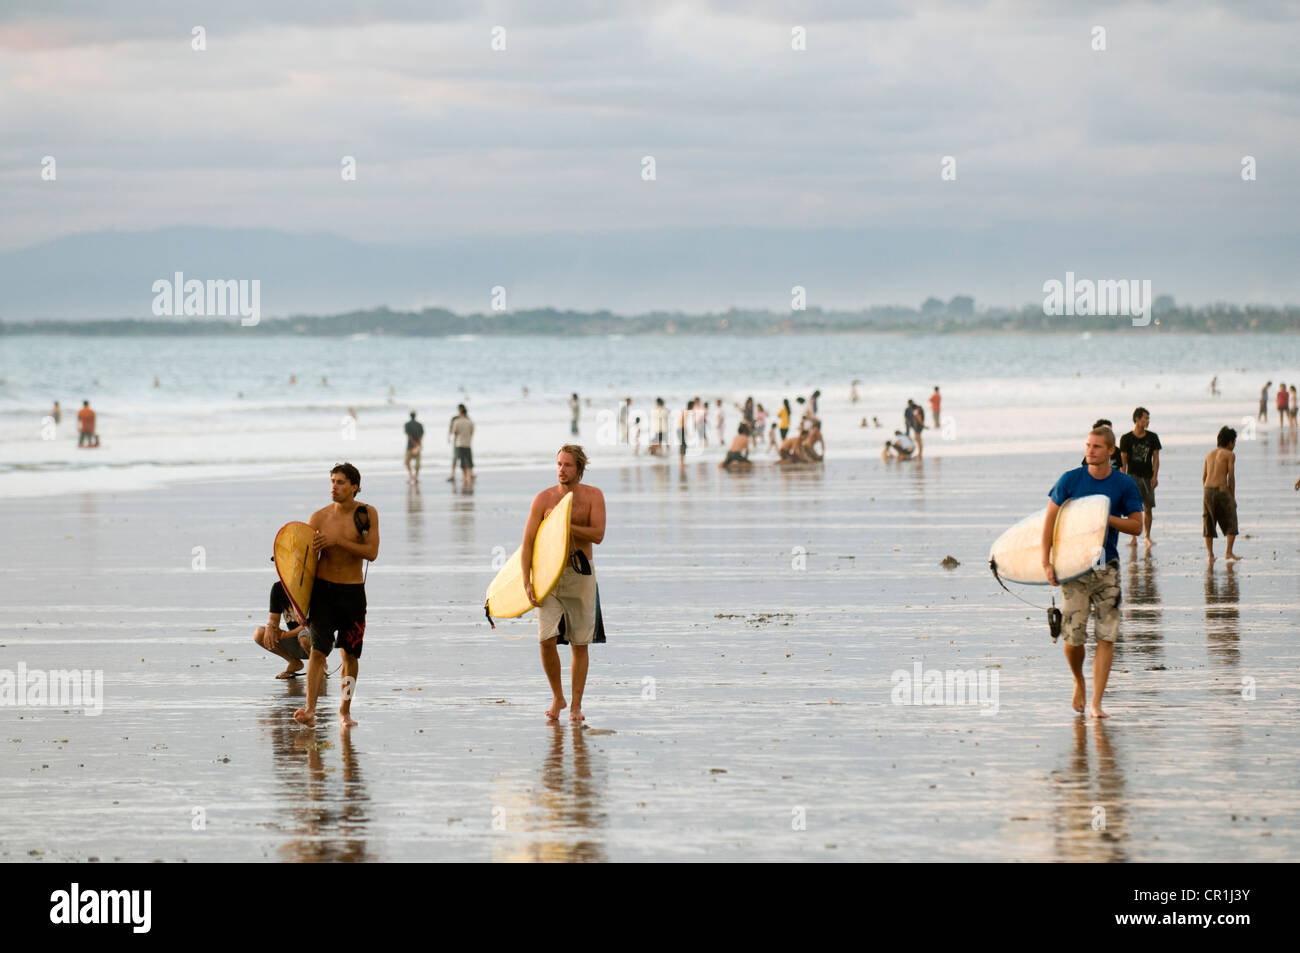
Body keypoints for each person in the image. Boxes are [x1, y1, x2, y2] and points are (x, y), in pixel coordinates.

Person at [1043, 426, 1143, 719]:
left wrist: (1105, 518)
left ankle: (1097, 703)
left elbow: (1137, 525)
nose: (1090, 451)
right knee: (1072, 638)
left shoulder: (1124, 485)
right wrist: (1046, 562)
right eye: (1088, 445)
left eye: (1097, 447)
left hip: (1105, 565)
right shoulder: (1070, 480)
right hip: (1073, 566)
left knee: (1106, 636)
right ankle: (1078, 680)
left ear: (1111, 451)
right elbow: (1049, 521)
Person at [522, 446, 606, 722]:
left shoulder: (593, 496)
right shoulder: (543, 499)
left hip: (580, 574)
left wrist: (564, 525)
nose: (561, 469)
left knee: (580, 644)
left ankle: (576, 706)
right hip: (548, 577)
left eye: (568, 465)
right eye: (559, 464)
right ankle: (558, 696)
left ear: (579, 469)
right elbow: (528, 543)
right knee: (546, 639)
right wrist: (526, 580)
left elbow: (598, 534)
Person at [293, 463, 380, 730]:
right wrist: (299, 602)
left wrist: (338, 542)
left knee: (350, 656)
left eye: (341, 482)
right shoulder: (318, 518)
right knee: (318, 652)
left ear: (354, 486)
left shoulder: (366, 515)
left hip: (352, 593)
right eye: (332, 481)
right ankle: (310, 709)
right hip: (323, 592)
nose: (334, 486)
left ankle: (344, 710)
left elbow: (372, 553)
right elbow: (304, 566)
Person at [254, 581, 314, 679]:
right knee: (260, 633)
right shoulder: (279, 587)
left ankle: (319, 664)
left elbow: (311, 624)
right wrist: (270, 627)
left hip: (316, 639)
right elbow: (274, 619)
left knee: (303, 637)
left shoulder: (310, 585)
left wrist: (286, 635)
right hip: (295, 641)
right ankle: (294, 662)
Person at [1119, 406, 1161, 547]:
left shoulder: (1152, 437)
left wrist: (1155, 476)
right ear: (1137, 419)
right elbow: (1123, 461)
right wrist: (1123, 479)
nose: (1148, 421)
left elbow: (1156, 459)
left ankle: (1147, 537)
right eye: (1145, 418)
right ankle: (1133, 538)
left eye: (1148, 418)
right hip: (1132, 477)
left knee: (1148, 508)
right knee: (1134, 509)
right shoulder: (1126, 439)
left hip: (1147, 477)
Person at [1203, 426, 1241, 564]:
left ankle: (1210, 555)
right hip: (1221, 489)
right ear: (1230, 442)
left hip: (1207, 490)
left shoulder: (1209, 454)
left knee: (1208, 521)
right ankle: (1229, 552)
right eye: (1234, 442)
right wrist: (1232, 497)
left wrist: (1207, 493)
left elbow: (1204, 476)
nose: (1234, 445)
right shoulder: (1230, 455)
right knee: (1231, 518)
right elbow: (1231, 477)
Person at [451, 404, 474, 485]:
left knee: (462, 461)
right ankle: (468, 476)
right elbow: (472, 432)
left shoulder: (456, 421)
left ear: (460, 413)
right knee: (468, 460)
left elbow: (454, 432)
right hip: (467, 443)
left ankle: (465, 477)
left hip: (459, 443)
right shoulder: (470, 421)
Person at [403, 411, 424, 484]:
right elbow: (422, 435)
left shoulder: (407, 424)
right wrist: (417, 444)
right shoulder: (420, 424)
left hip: (410, 446)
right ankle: (415, 477)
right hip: (418, 445)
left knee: (406, 462)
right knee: (417, 463)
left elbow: (409, 436)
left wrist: (414, 444)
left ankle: (411, 476)